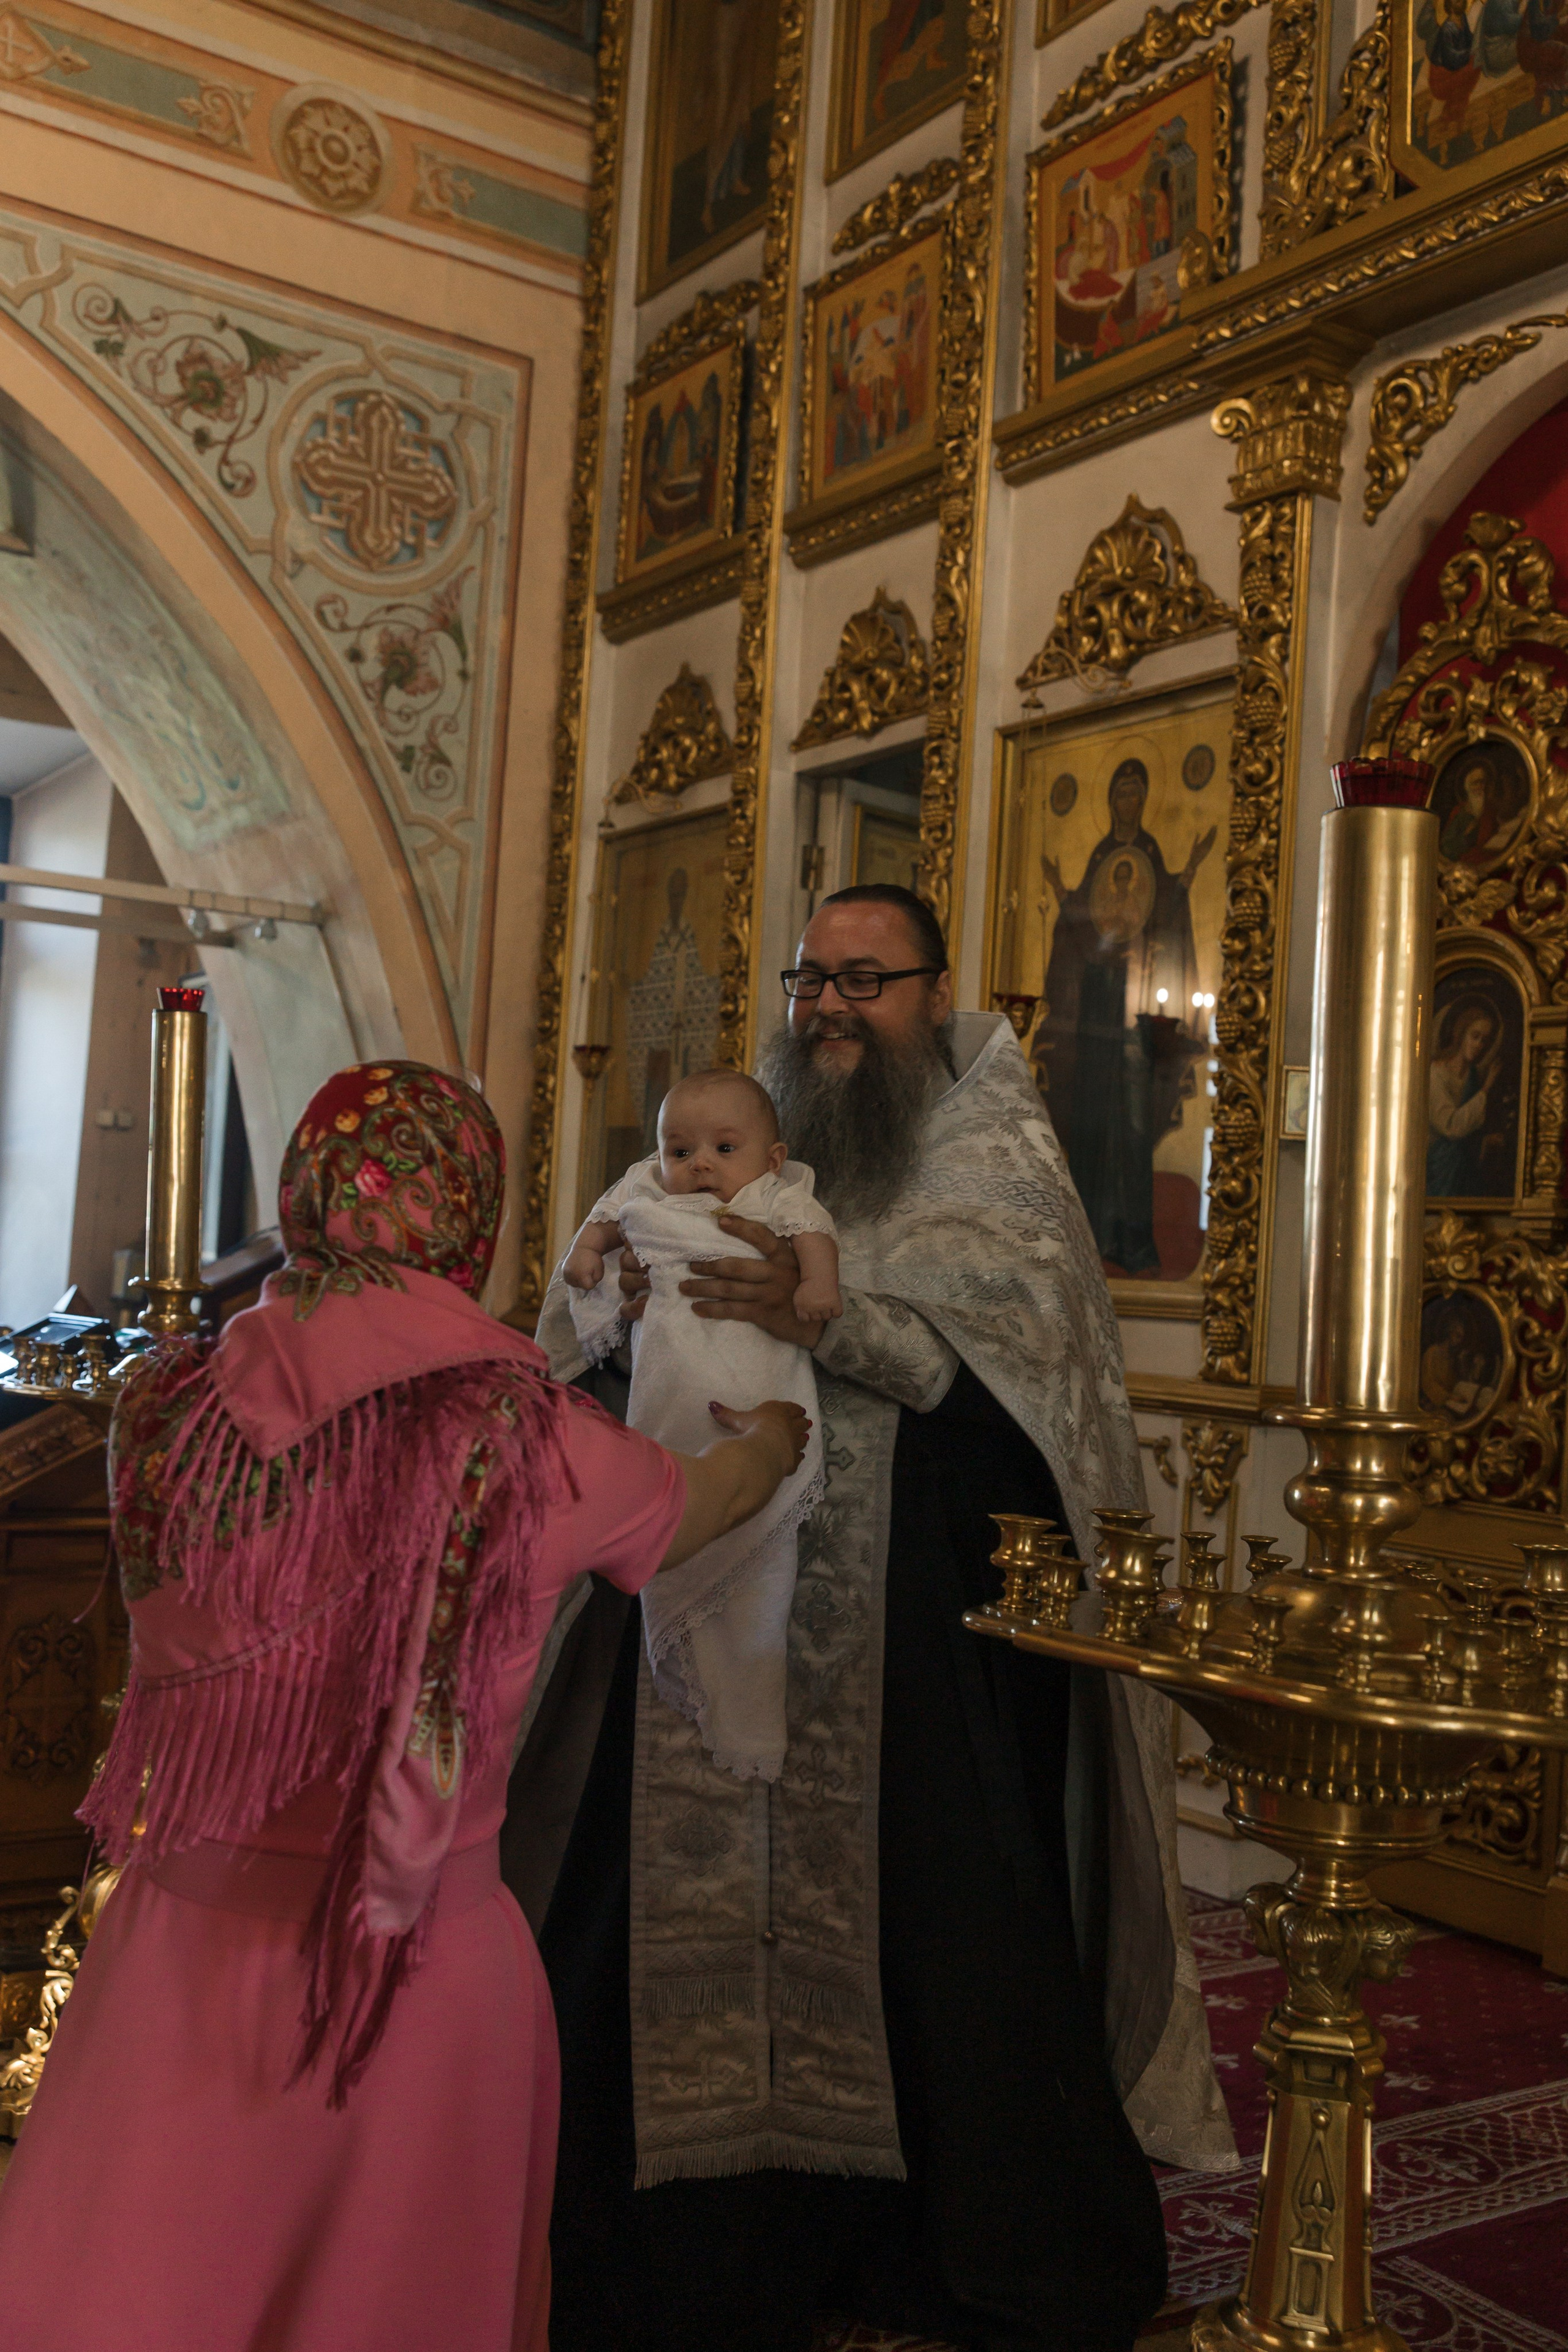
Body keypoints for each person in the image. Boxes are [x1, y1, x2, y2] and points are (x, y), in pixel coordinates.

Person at [519, 885, 1235, 2352]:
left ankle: (952, 2242)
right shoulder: (722, 1138)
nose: (830, 1007)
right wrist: (624, 1301)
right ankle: (680, 2235)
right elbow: (583, 1325)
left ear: (931, 988)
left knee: (941, 1936)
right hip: (708, 1602)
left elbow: (1026, 1397)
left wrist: (828, 1319)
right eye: (809, 979)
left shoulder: (991, 1161)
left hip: (914, 1642)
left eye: (864, 979)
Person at [0, 1060, 808, 2352]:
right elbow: (694, 1508)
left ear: (303, 1197)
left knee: (146, 2292)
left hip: (175, 1958)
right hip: (408, 1974)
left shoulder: (162, 1411)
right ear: (468, 1217)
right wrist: (771, 1439)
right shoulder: (525, 1438)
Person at [562, 1068, 840, 1782]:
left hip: (765, 1395)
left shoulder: (778, 1195)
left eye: (721, 1149)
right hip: (674, 1397)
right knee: (670, 1516)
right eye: (680, 1152)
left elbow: (814, 1238)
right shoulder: (652, 1191)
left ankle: (749, 1722)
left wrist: (814, 1287)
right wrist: (602, 1267)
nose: (700, 1166)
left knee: (755, 1577)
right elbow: (600, 1235)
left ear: (770, 1157)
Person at [1037, 756, 1215, 1276]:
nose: (1128, 802)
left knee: (1133, 1130)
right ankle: (1089, 1233)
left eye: (1136, 793)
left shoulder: (1152, 854)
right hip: (1095, 1014)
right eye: (1121, 793)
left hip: (1138, 1021)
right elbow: (1081, 921)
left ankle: (1133, 1240)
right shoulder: (1100, 856)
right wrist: (1057, 889)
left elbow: (1165, 907)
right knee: (1092, 1121)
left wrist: (1191, 872)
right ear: (1112, 800)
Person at [1427, 999, 1505, 1195]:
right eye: (1475, 1036)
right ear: (1461, 1034)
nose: (1479, 1045)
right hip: (1437, 1170)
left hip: (1463, 1174)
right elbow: (1452, 1127)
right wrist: (1486, 1089)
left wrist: (1486, 1142)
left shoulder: (1473, 1077)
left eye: (1485, 1040)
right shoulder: (1436, 1074)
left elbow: (1471, 1137)